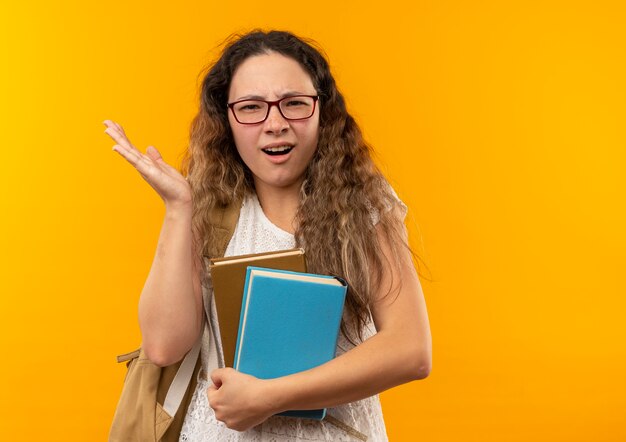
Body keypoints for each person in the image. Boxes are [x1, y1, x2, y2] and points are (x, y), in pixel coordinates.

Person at [104, 29, 431, 442]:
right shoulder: (208, 205)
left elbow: (410, 350)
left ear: (322, 112)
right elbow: (164, 347)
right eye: (252, 107)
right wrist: (178, 210)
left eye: (294, 104)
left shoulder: (361, 204)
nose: (275, 124)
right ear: (227, 119)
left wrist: (270, 396)